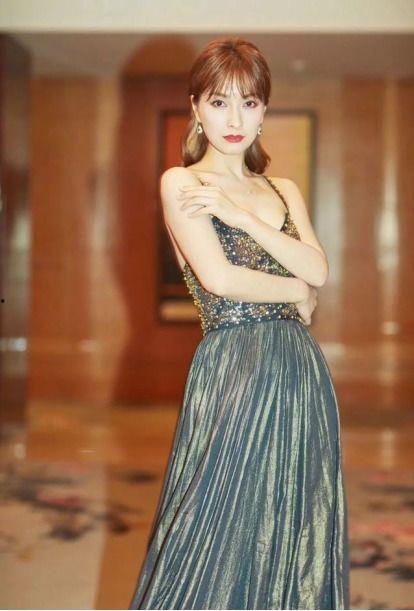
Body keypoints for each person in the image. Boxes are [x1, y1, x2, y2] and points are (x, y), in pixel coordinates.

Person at [128, 36, 350, 610]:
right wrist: (295, 292)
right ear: (196, 107)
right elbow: (220, 279)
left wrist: (239, 215)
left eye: (249, 103)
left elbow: (320, 269)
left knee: (294, 522)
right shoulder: (181, 183)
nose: (234, 120)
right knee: (217, 525)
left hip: (300, 373)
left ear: (264, 110)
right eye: (219, 102)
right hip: (234, 370)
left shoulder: (283, 190)